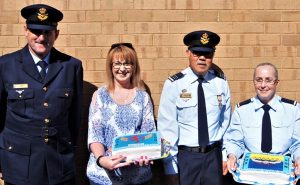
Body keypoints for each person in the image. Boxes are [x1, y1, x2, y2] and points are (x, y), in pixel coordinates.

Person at [0, 4, 83, 185]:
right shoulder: (6, 65)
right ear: (26, 31)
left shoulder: (71, 66)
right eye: (36, 31)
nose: (41, 37)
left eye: (47, 32)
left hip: (59, 163)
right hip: (18, 164)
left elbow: (74, 117)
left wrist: (70, 149)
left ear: (56, 34)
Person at [157, 30, 231, 185]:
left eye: (208, 54)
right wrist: (169, 168)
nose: (202, 58)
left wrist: (224, 155)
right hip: (186, 159)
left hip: (214, 157)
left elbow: (226, 124)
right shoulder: (174, 84)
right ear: (188, 53)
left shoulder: (221, 83)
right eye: (197, 53)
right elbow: (165, 129)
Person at [86, 43, 156, 185]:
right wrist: (101, 159)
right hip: (104, 176)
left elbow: (148, 132)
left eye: (127, 64)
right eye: (117, 63)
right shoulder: (100, 96)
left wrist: (146, 154)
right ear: (110, 67)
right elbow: (95, 134)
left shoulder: (143, 97)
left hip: (137, 176)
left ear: (134, 66)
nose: (122, 69)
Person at [225, 62, 300, 184]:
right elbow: (235, 142)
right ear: (254, 82)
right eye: (259, 80)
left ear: (276, 83)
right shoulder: (241, 110)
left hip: (282, 175)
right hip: (250, 174)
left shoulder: (293, 110)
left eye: (268, 80)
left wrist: (298, 158)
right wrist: (232, 156)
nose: (263, 85)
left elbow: (297, 143)